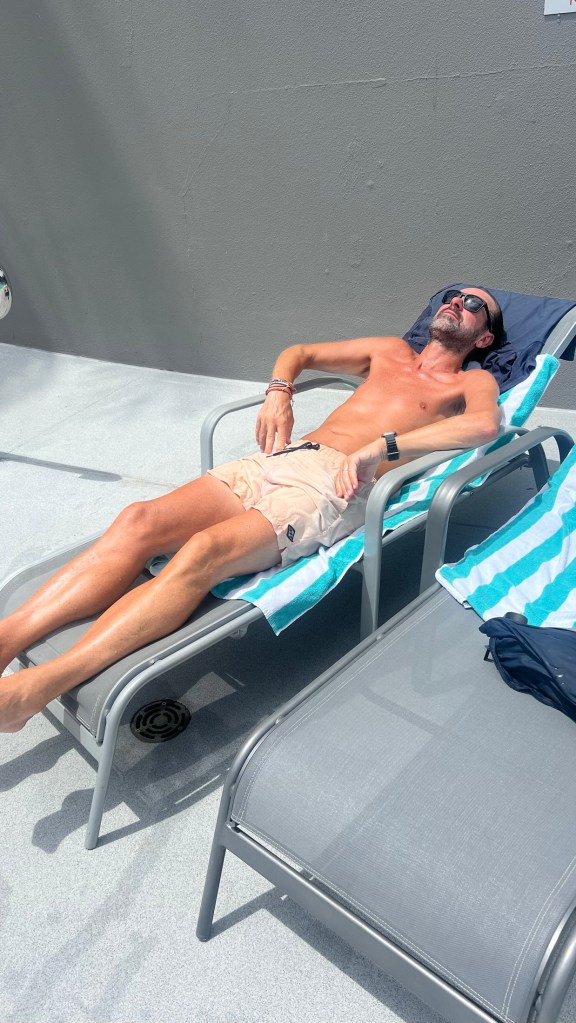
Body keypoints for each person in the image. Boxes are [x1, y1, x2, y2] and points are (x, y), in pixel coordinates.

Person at [0, 286, 504, 732]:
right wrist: (279, 392)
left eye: (473, 304)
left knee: (203, 551)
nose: (456, 303)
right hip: (284, 455)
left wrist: (383, 447)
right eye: (452, 297)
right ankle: (5, 640)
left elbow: (484, 426)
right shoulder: (389, 351)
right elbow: (299, 352)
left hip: (333, 486)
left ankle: (40, 686)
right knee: (139, 519)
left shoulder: (469, 383)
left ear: (483, 337)